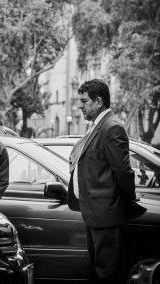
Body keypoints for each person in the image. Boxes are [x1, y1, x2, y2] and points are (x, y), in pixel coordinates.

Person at [67, 79, 146, 284]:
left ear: (99, 101)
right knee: (98, 270)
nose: (80, 106)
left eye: (84, 101)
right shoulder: (96, 126)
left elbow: (123, 171)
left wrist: (125, 200)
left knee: (108, 274)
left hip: (106, 214)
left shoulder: (111, 127)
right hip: (95, 213)